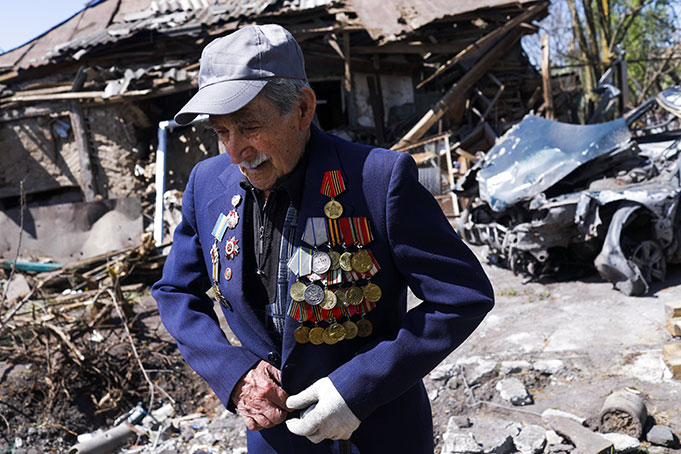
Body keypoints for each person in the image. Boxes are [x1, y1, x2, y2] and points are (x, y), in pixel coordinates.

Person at [152, 24, 494, 454]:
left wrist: (358, 387)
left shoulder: (378, 179)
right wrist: (233, 374)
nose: (235, 152)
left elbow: (462, 296)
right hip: (276, 437)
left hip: (381, 426)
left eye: (249, 126)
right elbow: (174, 291)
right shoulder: (207, 183)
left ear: (303, 109)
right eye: (221, 132)